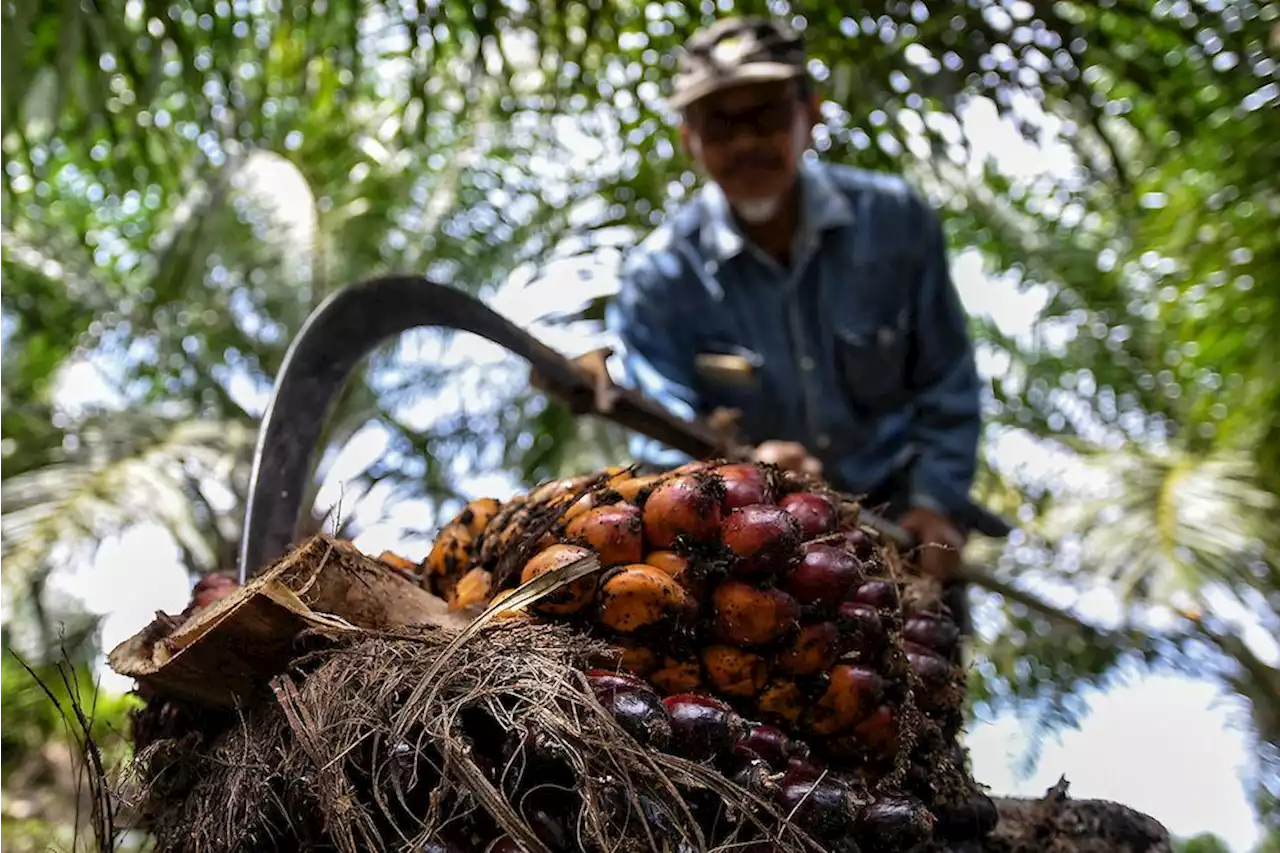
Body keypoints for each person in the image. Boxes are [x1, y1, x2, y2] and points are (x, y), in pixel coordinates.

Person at [603, 15, 999, 627]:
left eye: (763, 116)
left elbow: (947, 381)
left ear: (810, 113)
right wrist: (748, 474)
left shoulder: (895, 224)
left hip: (898, 536)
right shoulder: (659, 281)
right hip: (752, 568)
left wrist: (934, 503)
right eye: (720, 125)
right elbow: (662, 441)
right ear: (690, 138)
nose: (744, 143)